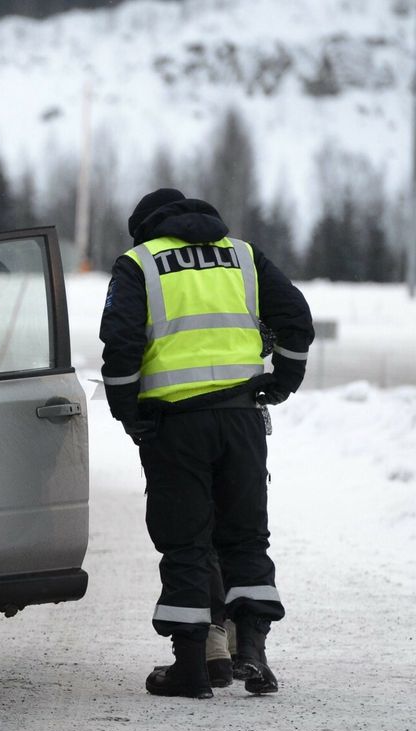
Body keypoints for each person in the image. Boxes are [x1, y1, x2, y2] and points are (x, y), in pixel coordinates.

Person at [100, 188, 314, 699]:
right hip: (241, 419)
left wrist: (130, 414)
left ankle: (193, 667)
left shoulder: (140, 263)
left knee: (186, 541)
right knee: (244, 535)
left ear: (146, 226)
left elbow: (122, 344)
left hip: (174, 425)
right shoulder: (242, 254)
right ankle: (252, 653)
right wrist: (281, 380)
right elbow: (296, 321)